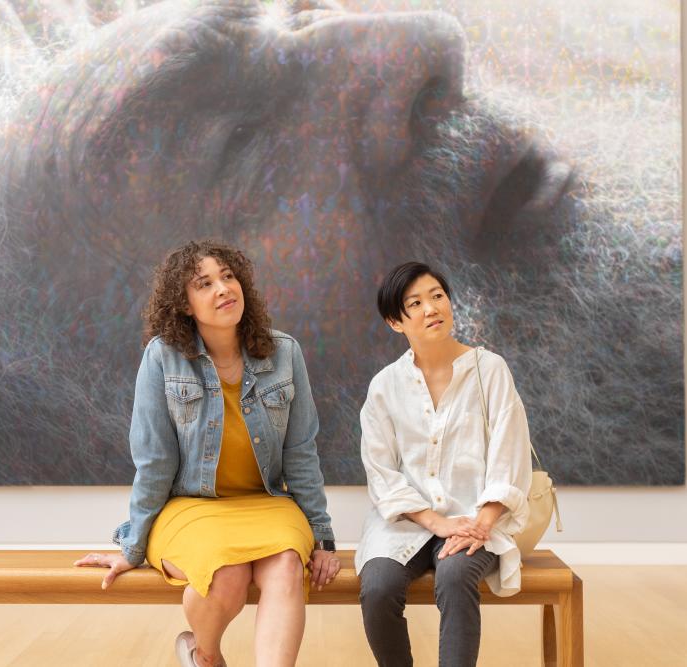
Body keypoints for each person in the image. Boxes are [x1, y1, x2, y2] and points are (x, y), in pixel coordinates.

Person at [75, 240, 340, 667]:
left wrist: (323, 538)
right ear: (183, 303)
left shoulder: (285, 352)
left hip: (267, 504)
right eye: (205, 283)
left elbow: (301, 453)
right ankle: (207, 657)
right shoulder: (162, 356)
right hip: (190, 507)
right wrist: (134, 547)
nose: (222, 289)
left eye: (228, 277)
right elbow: (154, 461)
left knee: (289, 563)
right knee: (225, 573)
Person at [356, 261, 533, 667]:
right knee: (378, 587)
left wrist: (481, 523)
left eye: (437, 296)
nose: (431, 308)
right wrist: (437, 522)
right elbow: (381, 471)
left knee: (455, 577)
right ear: (395, 322)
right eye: (415, 303)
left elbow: (510, 455)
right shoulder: (385, 386)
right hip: (407, 520)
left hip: (476, 516)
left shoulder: (490, 370)